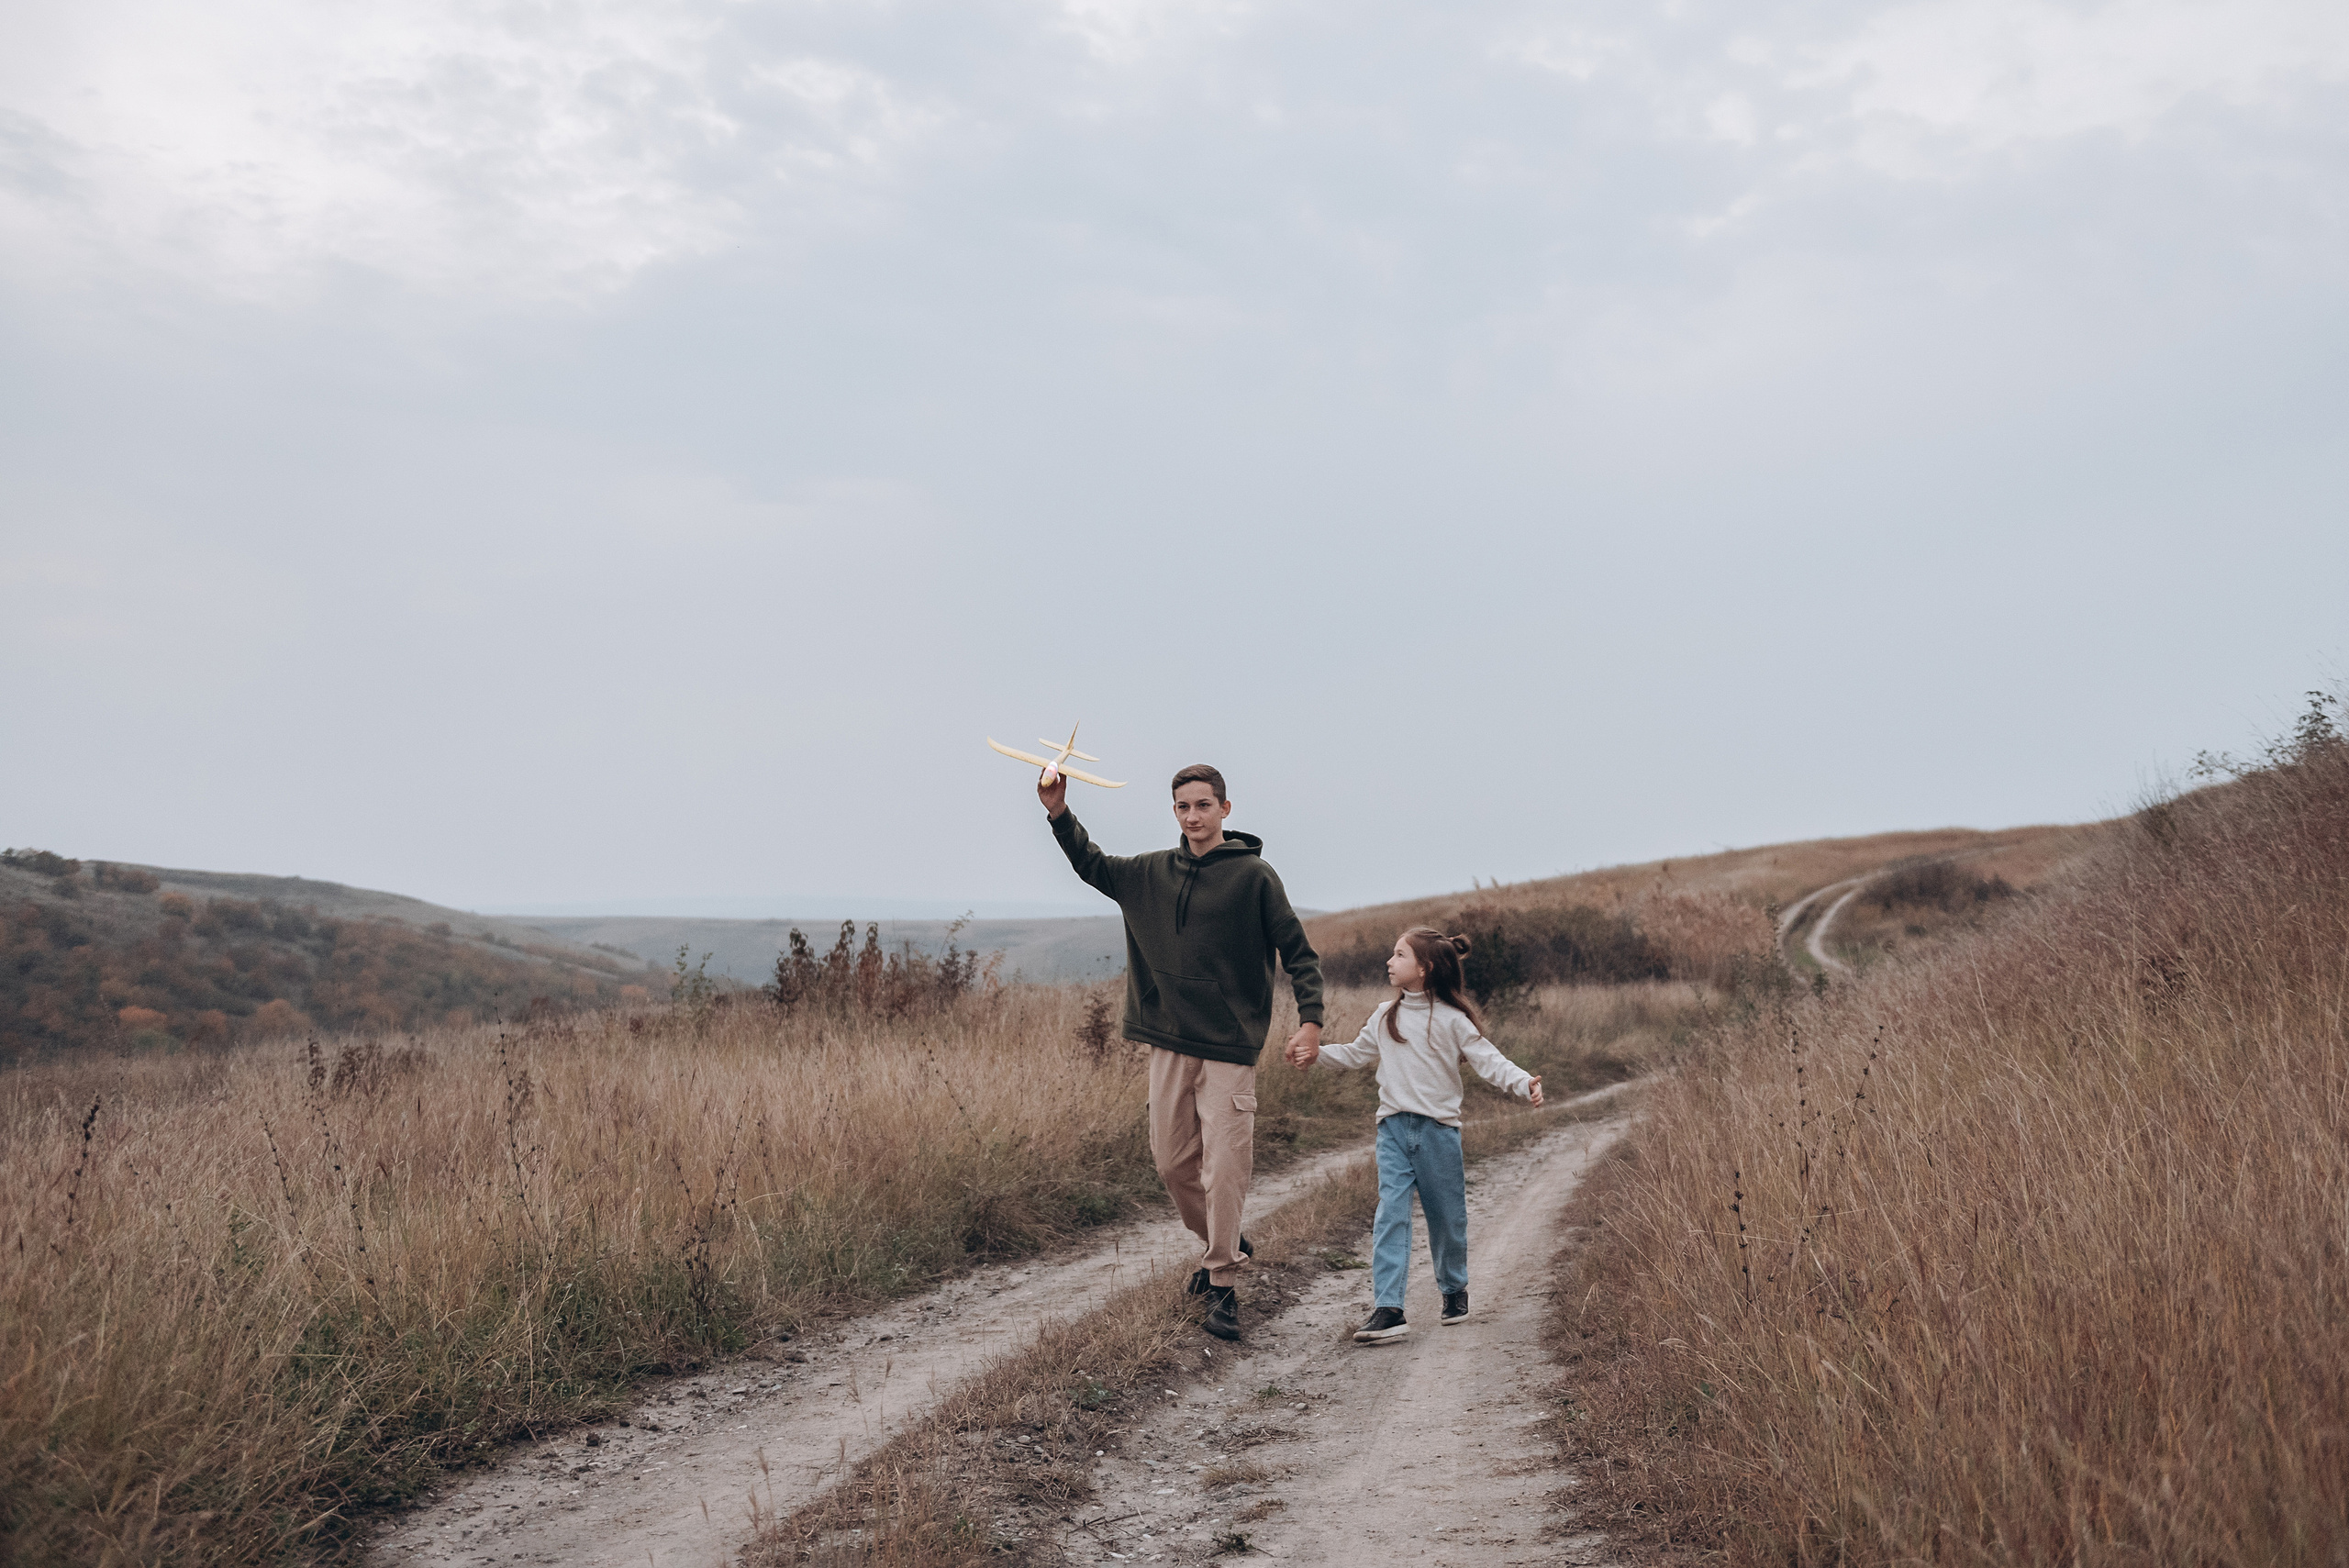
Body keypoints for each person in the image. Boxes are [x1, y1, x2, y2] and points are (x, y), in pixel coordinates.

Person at [1041, 762, 1324, 1340]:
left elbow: (1299, 954)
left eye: (1203, 805)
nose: (1193, 816)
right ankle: (1225, 1239)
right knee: (1172, 1166)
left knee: (1225, 1169)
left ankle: (1221, 1284)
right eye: (1182, 807)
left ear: (1225, 808)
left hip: (1230, 1047)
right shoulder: (1152, 874)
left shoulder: (1255, 878)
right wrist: (1057, 811)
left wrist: (1311, 1022)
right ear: (1174, 813)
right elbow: (1092, 864)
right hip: (1169, 1042)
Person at [1286, 927, 1542, 1342]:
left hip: (1438, 1133)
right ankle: (1389, 1308)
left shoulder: (1453, 1020)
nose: (1390, 962)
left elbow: (1488, 1060)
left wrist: (1523, 1082)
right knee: (1391, 1215)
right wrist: (1317, 1054)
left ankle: (1454, 1289)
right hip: (1392, 1130)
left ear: (1424, 969)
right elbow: (1355, 1053)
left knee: (1447, 1219)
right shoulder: (1385, 1015)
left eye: (1399, 955)